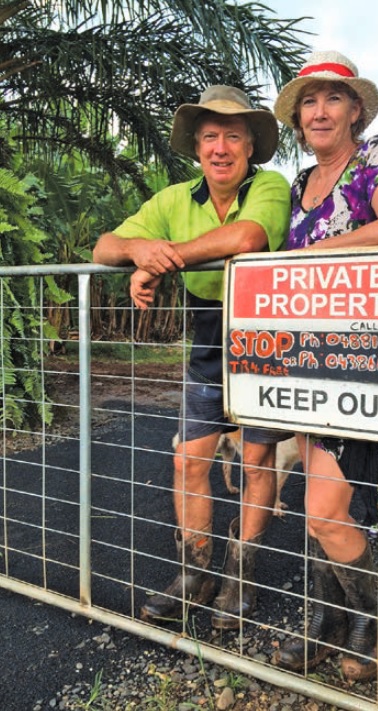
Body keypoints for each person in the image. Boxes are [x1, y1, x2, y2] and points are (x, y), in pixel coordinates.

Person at [93, 85, 292, 630]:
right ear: (197, 146)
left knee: (256, 462)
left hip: (266, 333)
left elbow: (249, 237)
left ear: (250, 145)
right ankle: (195, 569)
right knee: (189, 460)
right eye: (210, 136)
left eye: (232, 135)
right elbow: (104, 246)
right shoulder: (174, 198)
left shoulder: (269, 186)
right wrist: (139, 251)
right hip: (208, 333)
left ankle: (242, 574)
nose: (220, 147)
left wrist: (164, 259)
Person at [271, 51, 378, 680]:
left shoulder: (374, 157)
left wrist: (322, 251)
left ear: (355, 109)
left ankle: (369, 624)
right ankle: (332, 621)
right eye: (309, 100)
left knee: (325, 511)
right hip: (310, 364)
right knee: (321, 505)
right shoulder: (299, 185)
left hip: (363, 359)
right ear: (299, 118)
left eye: (333, 98)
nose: (320, 110)